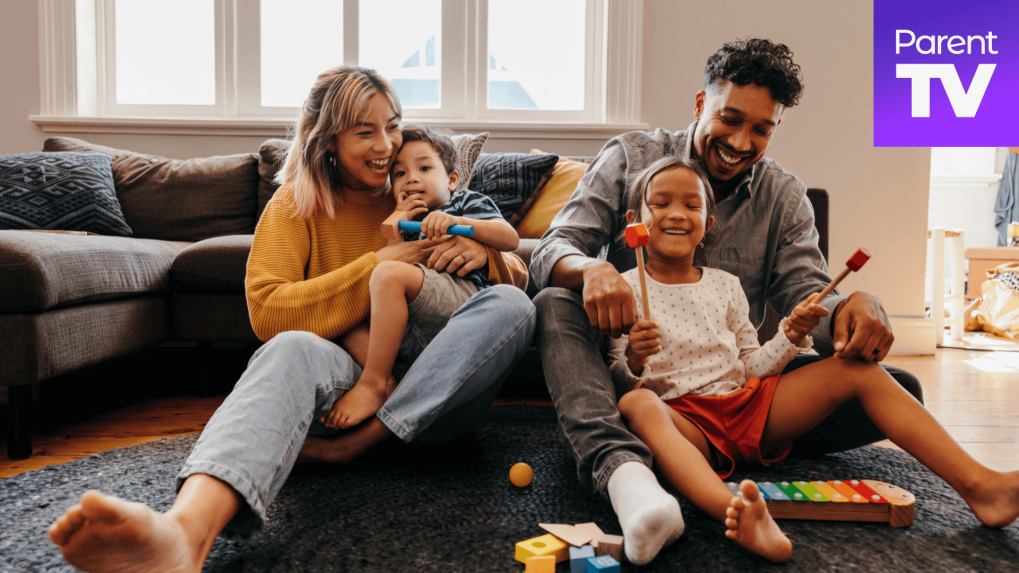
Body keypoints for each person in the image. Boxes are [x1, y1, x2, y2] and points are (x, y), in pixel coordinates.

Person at [46, 66, 536, 573]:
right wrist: (380, 263)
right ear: (327, 141)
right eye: (364, 131)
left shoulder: (426, 193)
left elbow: (515, 283)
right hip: (357, 386)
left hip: (444, 397)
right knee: (288, 347)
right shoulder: (294, 205)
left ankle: (356, 449)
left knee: (514, 307)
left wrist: (480, 248)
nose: (387, 145)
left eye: (392, 125)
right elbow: (266, 312)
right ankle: (182, 534)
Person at [528, 38, 924, 564]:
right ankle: (624, 466)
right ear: (700, 104)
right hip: (633, 388)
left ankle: (693, 451)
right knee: (555, 299)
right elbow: (553, 248)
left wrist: (852, 307)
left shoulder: (784, 196)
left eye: (761, 129)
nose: (740, 141)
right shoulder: (630, 157)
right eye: (730, 118)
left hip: (733, 390)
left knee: (901, 388)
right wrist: (594, 268)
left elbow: (807, 294)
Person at [612, 156, 1019, 563]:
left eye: (692, 205)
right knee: (637, 403)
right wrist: (632, 357)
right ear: (635, 219)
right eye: (661, 203)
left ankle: (982, 486)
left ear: (709, 224)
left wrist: (791, 333)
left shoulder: (726, 285)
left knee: (855, 370)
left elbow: (752, 366)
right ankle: (735, 513)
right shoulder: (623, 289)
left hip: (746, 405)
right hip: (687, 426)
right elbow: (616, 380)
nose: (677, 214)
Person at [322, 123, 520, 429]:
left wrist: (457, 220)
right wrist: (397, 219)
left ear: (452, 179)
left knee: (387, 275)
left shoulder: (464, 202)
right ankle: (386, 382)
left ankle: (370, 385)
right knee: (346, 318)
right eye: (399, 174)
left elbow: (509, 238)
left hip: (461, 303)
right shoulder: (405, 219)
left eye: (424, 168)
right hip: (415, 328)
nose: (411, 178)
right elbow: (391, 260)